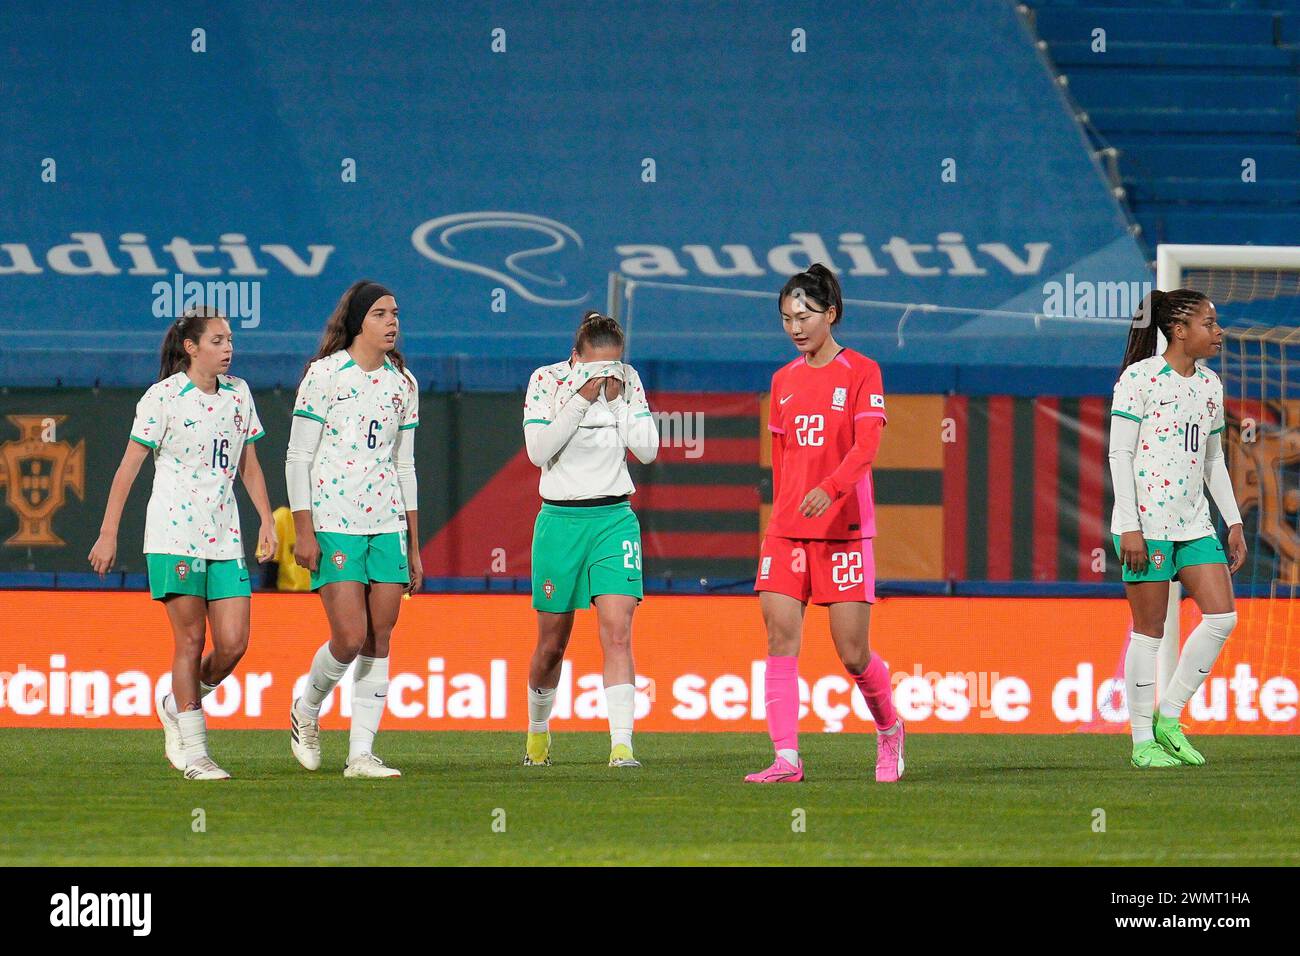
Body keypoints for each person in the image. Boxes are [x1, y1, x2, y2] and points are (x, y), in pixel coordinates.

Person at [89, 306, 275, 780]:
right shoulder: (163, 397)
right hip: (174, 534)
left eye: (230, 340)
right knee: (190, 641)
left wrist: (265, 522)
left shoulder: (240, 394)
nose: (228, 348)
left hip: (226, 536)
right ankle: (195, 752)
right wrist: (108, 533)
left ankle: (175, 702)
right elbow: (128, 468)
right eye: (217, 340)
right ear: (191, 348)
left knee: (233, 644)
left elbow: (248, 464)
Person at [748, 263, 902, 783]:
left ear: (831, 314)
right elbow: (781, 456)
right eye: (787, 317)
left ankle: (889, 730)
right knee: (779, 638)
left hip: (844, 531)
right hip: (787, 531)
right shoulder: (782, 381)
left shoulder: (863, 371)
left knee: (853, 654)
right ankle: (786, 758)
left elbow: (867, 447)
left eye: (806, 315)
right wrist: (787, 507)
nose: (795, 326)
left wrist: (830, 488)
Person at [285, 280, 421, 779]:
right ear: (360, 320)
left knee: (380, 636)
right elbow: (298, 454)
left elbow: (405, 465)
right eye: (382, 314)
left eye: (396, 313)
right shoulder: (324, 376)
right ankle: (307, 707)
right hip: (335, 520)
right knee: (349, 635)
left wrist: (414, 544)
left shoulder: (403, 383)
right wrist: (304, 528)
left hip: (386, 524)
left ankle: (361, 753)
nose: (393, 322)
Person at [1109, 289, 1244, 767]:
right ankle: (1142, 741)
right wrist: (1130, 527)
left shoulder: (1210, 385)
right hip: (1146, 523)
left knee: (1223, 617)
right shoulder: (1139, 379)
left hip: (1194, 522)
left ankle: (1170, 716)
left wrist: (1234, 521)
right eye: (1210, 323)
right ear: (1179, 330)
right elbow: (1120, 454)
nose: (1219, 331)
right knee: (1149, 631)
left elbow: (1213, 460)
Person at [520, 310, 659, 768]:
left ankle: (622, 746)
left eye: (612, 366)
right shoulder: (546, 381)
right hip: (560, 521)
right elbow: (538, 451)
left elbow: (648, 448)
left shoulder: (628, 381)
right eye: (596, 367)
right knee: (551, 645)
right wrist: (580, 400)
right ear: (575, 357)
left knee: (618, 632)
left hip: (613, 518)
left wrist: (618, 403)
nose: (605, 375)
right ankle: (538, 733)